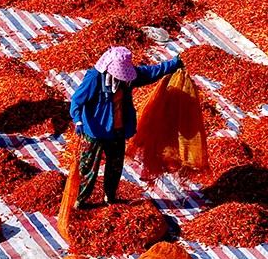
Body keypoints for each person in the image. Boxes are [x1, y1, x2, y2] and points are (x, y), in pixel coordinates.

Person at [69, 46, 183, 208]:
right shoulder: (94, 78)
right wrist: (78, 120)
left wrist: (174, 63)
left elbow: (151, 72)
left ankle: (109, 197)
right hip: (94, 131)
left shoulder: (128, 79)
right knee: (88, 167)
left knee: (115, 166)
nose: (120, 78)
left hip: (117, 131)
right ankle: (80, 199)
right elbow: (77, 100)